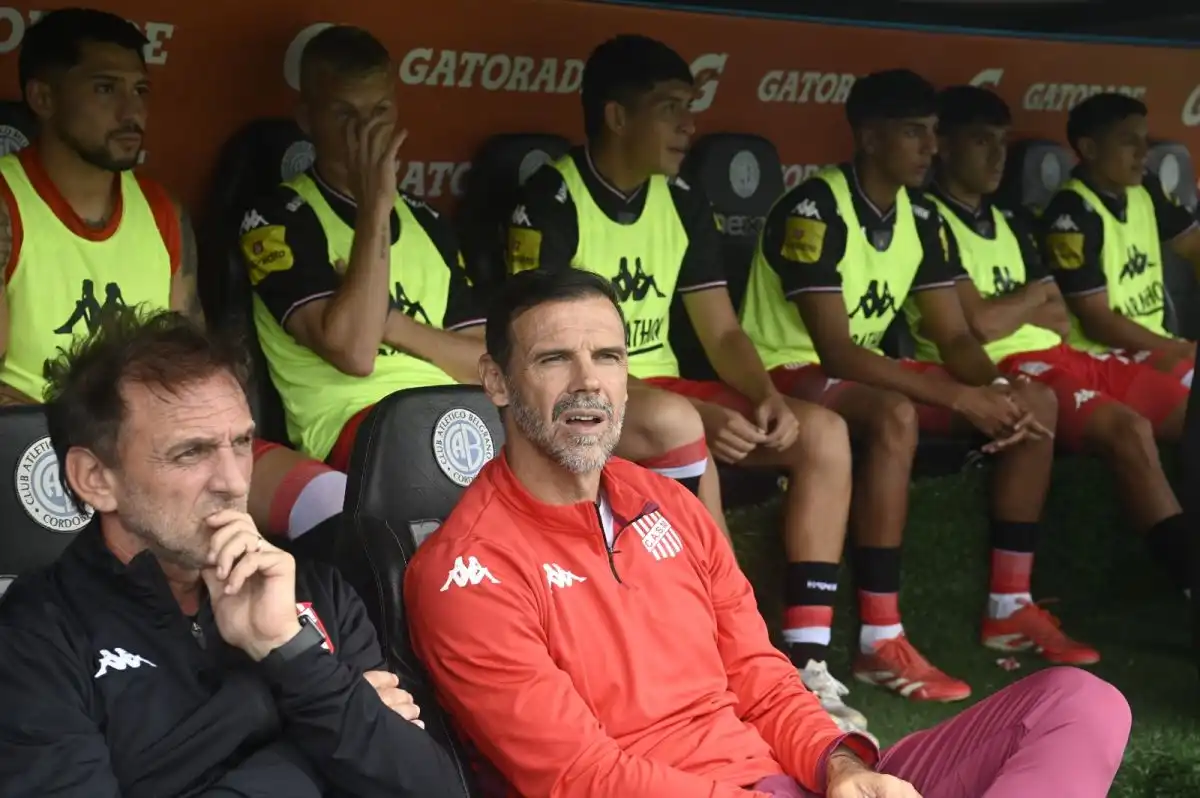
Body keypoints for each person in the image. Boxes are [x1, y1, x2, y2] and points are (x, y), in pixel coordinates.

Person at [404, 267, 1131, 798]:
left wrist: (840, 767)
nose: (589, 383)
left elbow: (759, 673)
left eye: (609, 356)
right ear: (496, 383)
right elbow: (581, 776)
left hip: (791, 780)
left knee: (1079, 703)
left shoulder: (667, 504)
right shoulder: (465, 571)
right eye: (555, 359)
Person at [504, 33, 859, 729]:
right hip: (583, 397)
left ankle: (808, 660)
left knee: (822, 433)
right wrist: (695, 413)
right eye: (670, 109)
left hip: (663, 388)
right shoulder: (549, 200)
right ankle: (732, 652)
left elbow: (723, 332)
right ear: (616, 117)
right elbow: (537, 350)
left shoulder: (683, 201)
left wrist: (763, 396)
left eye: (688, 110)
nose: (688, 128)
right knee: (679, 423)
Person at [239, 26, 714, 517]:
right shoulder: (280, 217)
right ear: (306, 119)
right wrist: (375, 206)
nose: (365, 133)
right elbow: (356, 352)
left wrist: (394, 325)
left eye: (378, 112)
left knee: (661, 425)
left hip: (466, 409)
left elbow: (484, 361)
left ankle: (675, 579)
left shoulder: (427, 223)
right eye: (344, 115)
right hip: (363, 424)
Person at [0, 307, 463, 797]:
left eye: (241, 443)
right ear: (95, 479)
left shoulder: (314, 591)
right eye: (190, 452)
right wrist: (311, 738)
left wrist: (289, 648)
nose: (232, 482)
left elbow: (435, 790)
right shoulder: (36, 638)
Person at [740, 69, 1059, 702]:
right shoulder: (815, 208)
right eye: (914, 133)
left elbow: (957, 340)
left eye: (933, 134)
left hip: (851, 371)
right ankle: (879, 641)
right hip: (784, 371)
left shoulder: (919, 215)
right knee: (895, 415)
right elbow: (834, 350)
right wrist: (958, 397)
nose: (930, 148)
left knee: (1033, 400)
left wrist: (994, 387)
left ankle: (1008, 606)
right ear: (867, 136)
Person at [0, 8, 344, 544]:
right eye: (105, 89)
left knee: (341, 506)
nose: (131, 110)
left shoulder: (160, 209)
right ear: (44, 99)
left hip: (162, 451)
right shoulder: (7, 202)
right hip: (35, 452)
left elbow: (191, 364)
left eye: (140, 90)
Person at [918, 85, 1194, 608]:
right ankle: (1187, 579)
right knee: (1129, 430)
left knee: (1190, 415)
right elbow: (976, 327)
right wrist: (1025, 301)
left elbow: (1058, 315)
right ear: (945, 146)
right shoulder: (929, 221)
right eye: (982, 142)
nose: (999, 155)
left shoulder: (1013, 221)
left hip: (1064, 354)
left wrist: (1012, 308)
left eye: (1003, 142)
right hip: (1005, 367)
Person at [1040, 92, 1200, 387]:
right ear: (1089, 148)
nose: (1143, 152)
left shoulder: (1145, 187)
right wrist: (1182, 349)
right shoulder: (1070, 214)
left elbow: (1193, 245)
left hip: (1156, 346)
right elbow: (1099, 324)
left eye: (1144, 140)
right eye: (1129, 141)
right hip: (1102, 355)